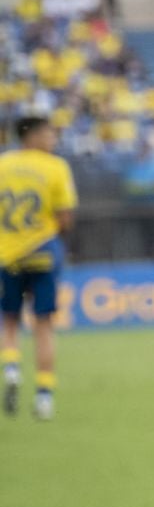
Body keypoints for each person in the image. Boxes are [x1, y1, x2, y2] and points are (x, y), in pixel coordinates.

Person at [0, 116, 77, 421]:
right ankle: (44, 397)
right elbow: (65, 217)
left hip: (7, 256)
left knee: (9, 320)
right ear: (29, 135)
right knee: (44, 325)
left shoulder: (2, 164)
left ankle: (11, 368)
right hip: (43, 253)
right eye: (48, 134)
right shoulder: (55, 167)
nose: (53, 139)